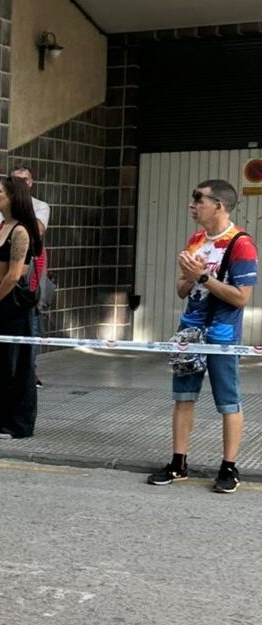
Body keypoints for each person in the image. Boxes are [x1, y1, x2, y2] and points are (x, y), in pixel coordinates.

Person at [147, 180, 257, 493]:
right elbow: (182, 289)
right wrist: (187, 276)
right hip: (188, 329)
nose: (192, 205)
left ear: (219, 206)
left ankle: (229, 467)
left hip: (222, 333)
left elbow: (240, 298)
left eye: (199, 199)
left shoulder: (241, 244)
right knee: (183, 396)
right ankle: (178, 462)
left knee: (228, 400)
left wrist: (202, 277)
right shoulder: (196, 239)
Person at [0, 176, 42, 439]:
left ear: (13, 197)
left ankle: (17, 424)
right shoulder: (2, 227)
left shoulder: (21, 231)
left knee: (15, 363)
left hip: (10, 302)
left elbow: (14, 275)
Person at [0, 163, 50, 388]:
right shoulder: (2, 219)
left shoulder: (27, 223)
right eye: (15, 179)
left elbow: (14, 273)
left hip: (17, 291)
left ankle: (28, 376)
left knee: (22, 343)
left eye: (24, 180)